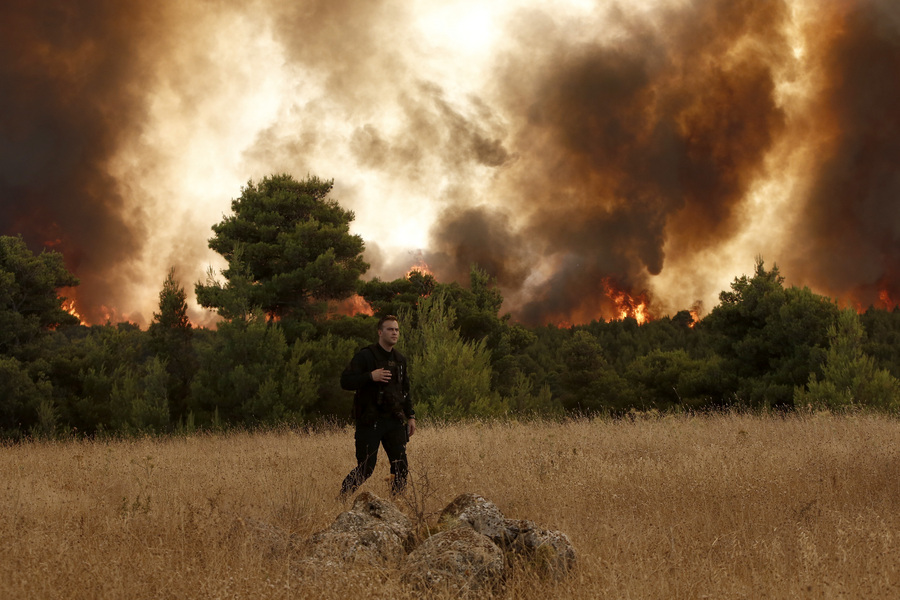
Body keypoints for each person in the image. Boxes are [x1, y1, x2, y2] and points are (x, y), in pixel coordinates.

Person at [339, 315, 415, 497]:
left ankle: (397, 503)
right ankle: (342, 497)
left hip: (394, 420)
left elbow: (405, 390)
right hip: (370, 421)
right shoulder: (366, 356)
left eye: (396, 330)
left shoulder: (400, 359)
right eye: (390, 329)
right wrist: (370, 377)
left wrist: (410, 416)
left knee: (401, 466)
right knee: (366, 467)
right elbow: (345, 381)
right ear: (380, 332)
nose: (394, 333)